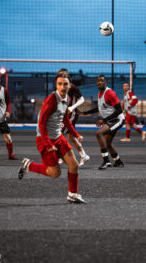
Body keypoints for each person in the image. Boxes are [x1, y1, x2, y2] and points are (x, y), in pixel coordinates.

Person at [17, 72, 86, 203]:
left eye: (65, 84)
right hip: (44, 139)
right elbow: (41, 124)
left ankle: (72, 194)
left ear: (70, 85)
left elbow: (65, 118)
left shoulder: (67, 98)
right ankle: (28, 165)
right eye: (59, 84)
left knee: (74, 164)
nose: (62, 87)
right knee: (54, 173)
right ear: (56, 85)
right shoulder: (52, 100)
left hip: (58, 137)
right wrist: (48, 145)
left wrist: (76, 134)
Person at [81, 75, 124, 170]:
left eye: (102, 81)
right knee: (107, 143)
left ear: (106, 82)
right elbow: (99, 108)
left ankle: (106, 161)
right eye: (98, 81)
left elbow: (119, 110)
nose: (100, 82)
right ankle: (118, 161)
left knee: (99, 133)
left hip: (117, 119)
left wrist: (103, 120)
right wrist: (85, 112)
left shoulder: (110, 93)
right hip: (110, 120)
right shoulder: (99, 93)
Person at [57, 69, 90, 166]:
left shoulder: (72, 87)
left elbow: (82, 99)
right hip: (65, 113)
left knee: (58, 134)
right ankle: (83, 155)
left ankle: (60, 156)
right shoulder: (61, 87)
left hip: (71, 114)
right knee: (71, 137)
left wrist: (71, 108)